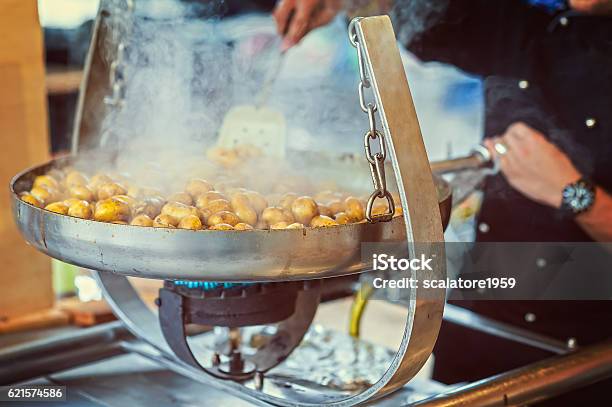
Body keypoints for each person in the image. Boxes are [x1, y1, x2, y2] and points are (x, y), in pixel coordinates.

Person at [272, 0, 612, 404]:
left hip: (584, 364)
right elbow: (428, 16)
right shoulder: (535, 23)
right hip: (480, 331)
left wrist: (572, 193)